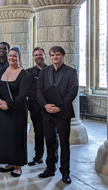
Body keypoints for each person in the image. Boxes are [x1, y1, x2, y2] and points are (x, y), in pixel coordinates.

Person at [36, 46, 78, 185]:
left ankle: (65, 172)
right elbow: (38, 89)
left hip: (63, 112)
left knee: (64, 143)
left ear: (63, 55)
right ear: (49, 57)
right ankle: (50, 168)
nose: (55, 57)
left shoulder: (71, 72)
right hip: (47, 112)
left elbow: (72, 91)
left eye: (57, 55)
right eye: (53, 55)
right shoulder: (44, 71)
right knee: (49, 141)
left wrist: (60, 107)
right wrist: (45, 105)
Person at [0, 47, 30, 177]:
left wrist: (9, 105)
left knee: (17, 138)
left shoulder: (24, 74)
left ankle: (18, 165)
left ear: (19, 58)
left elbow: (22, 94)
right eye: (10, 56)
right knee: (6, 137)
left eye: (15, 56)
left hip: (17, 110)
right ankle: (9, 163)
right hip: (2, 109)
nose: (12, 58)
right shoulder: (3, 70)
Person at [26, 47, 57, 166]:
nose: (38, 57)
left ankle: (54, 157)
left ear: (45, 56)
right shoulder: (28, 72)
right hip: (35, 107)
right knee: (38, 133)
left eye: (40, 55)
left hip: (49, 107)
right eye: (36, 55)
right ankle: (38, 156)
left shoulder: (52, 70)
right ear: (33, 57)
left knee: (52, 134)